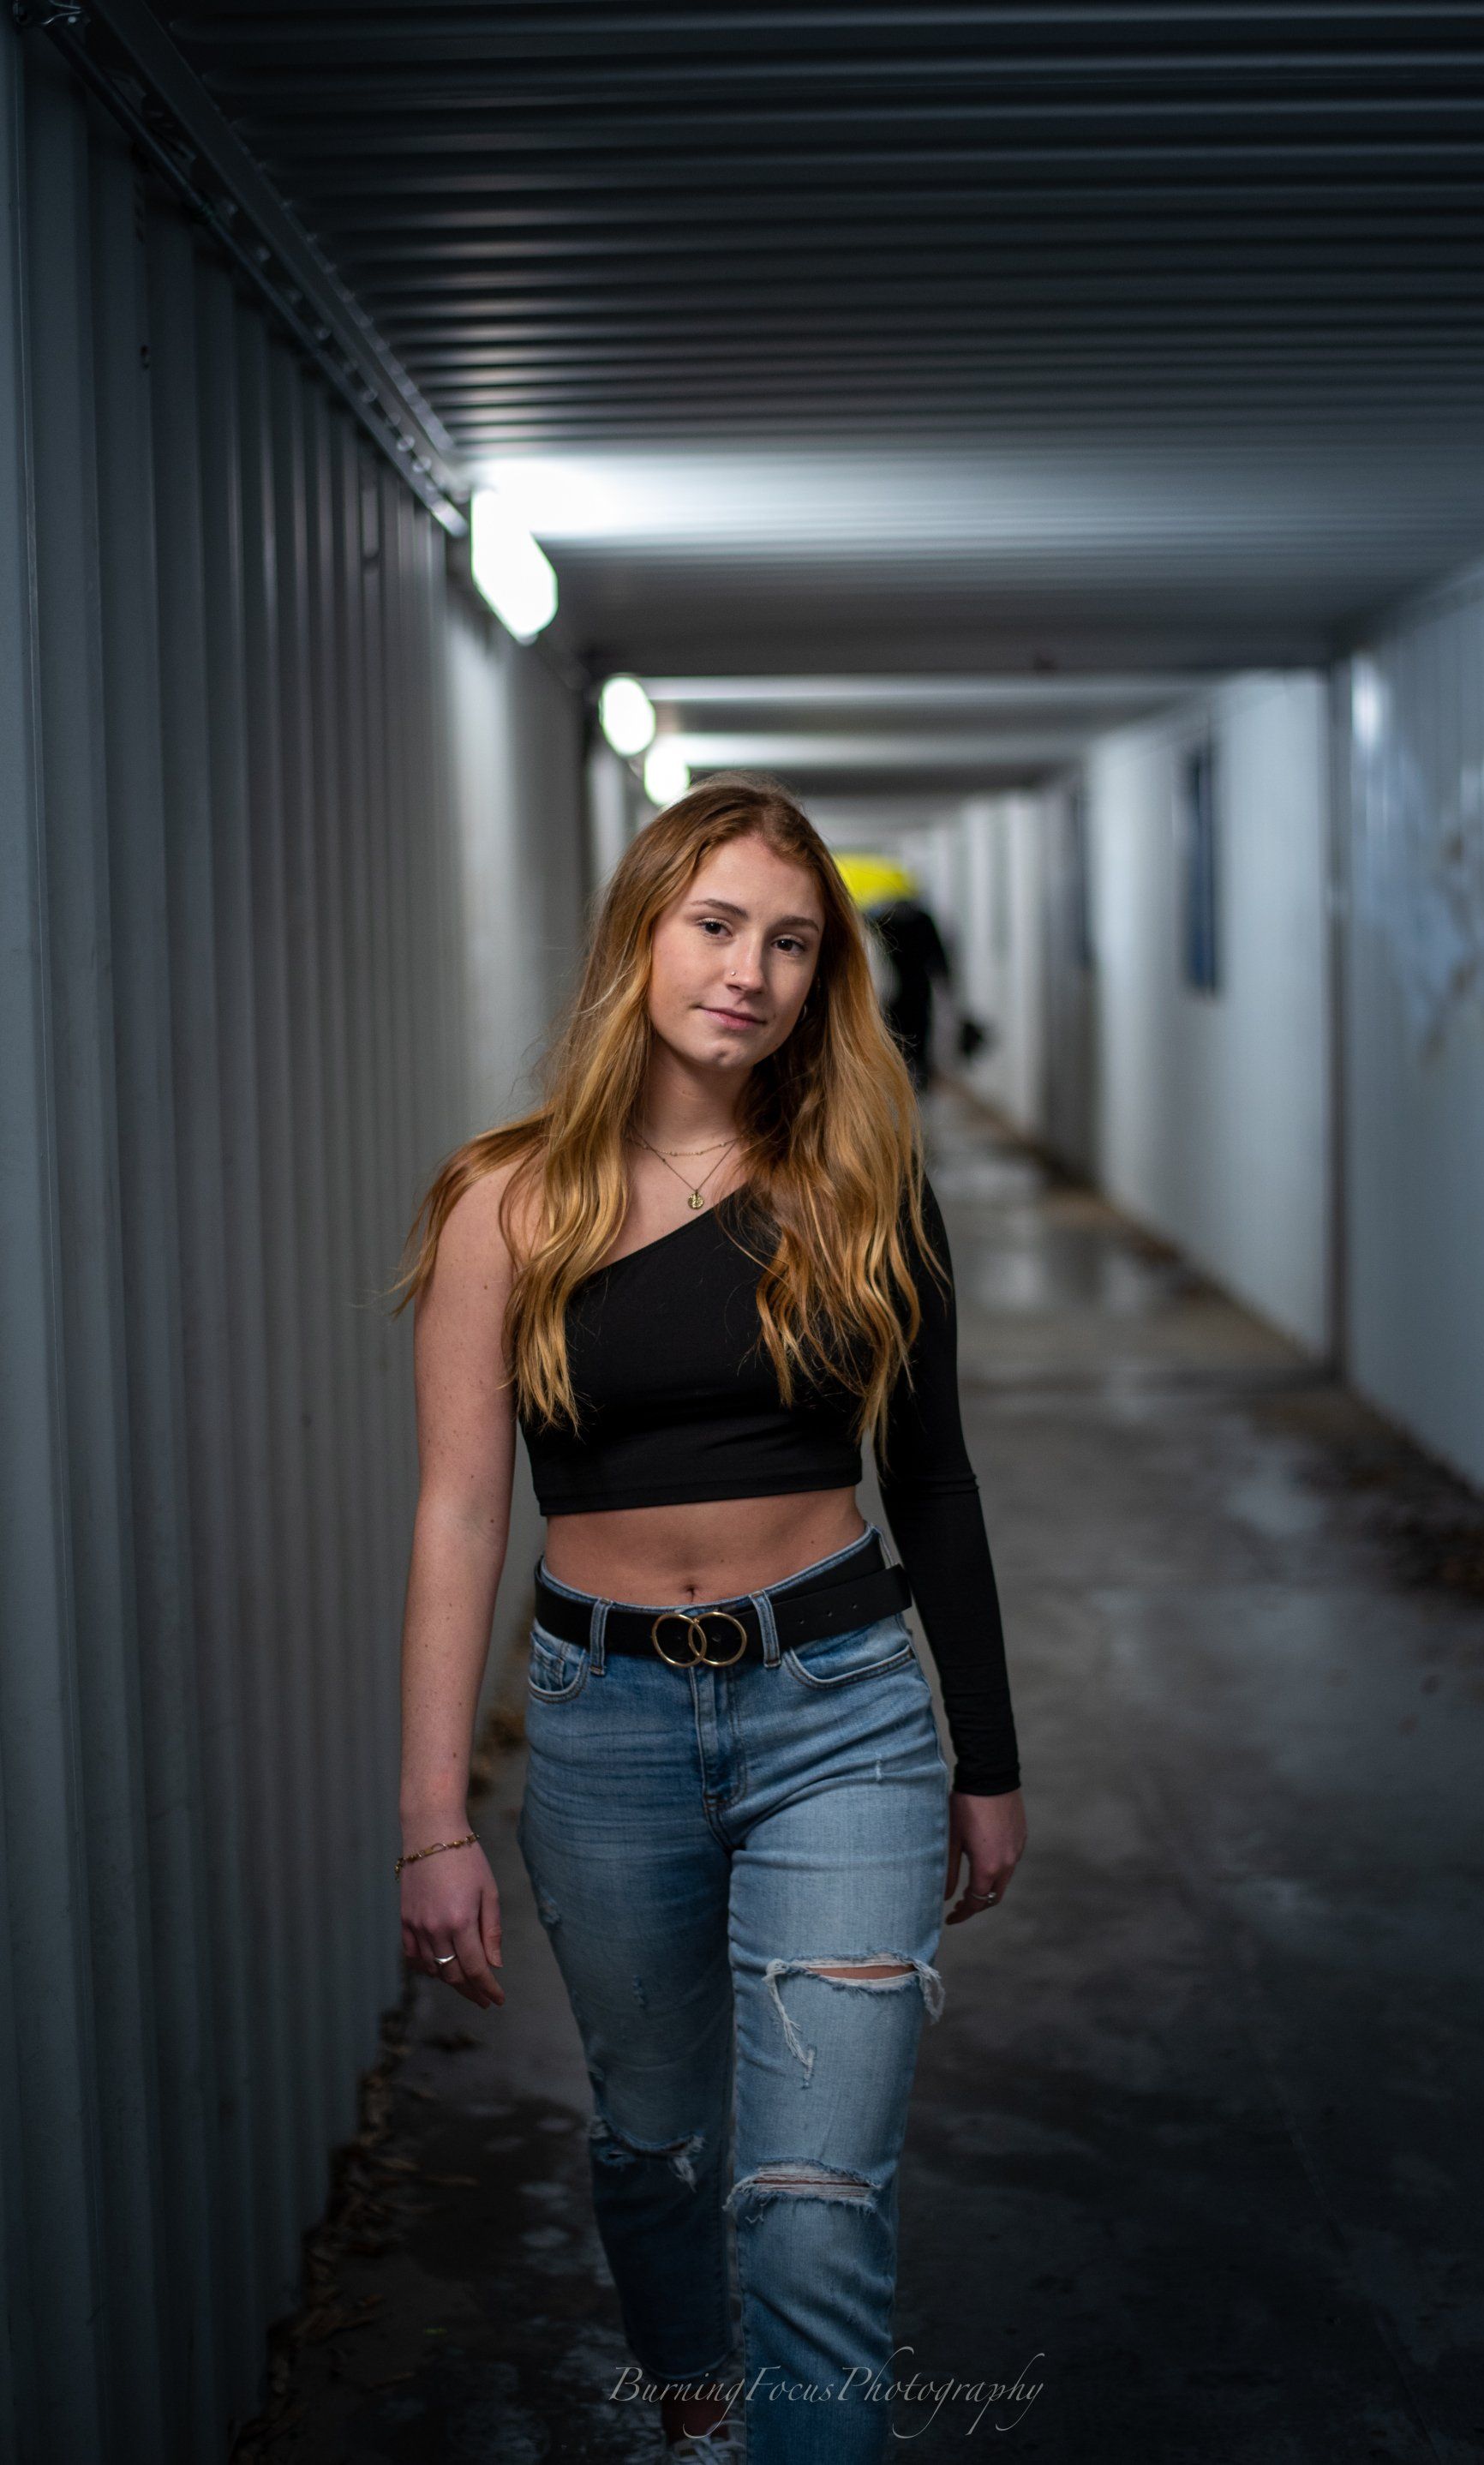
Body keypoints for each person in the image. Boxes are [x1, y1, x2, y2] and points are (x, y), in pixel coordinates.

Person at [392, 774, 1027, 2463]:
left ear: (827, 978)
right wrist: (428, 1815)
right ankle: (697, 2425)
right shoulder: (505, 1200)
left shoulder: (867, 1189)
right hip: (602, 1728)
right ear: (644, 939)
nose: (748, 970)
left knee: (813, 2202)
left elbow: (939, 1486)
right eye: (717, 925)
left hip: (844, 1713)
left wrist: (989, 1755)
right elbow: (461, 1507)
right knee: (656, 2145)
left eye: (792, 942)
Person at [867, 893, 952, 1090]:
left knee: (911, 1032)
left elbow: (936, 954)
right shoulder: (886, 920)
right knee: (903, 1032)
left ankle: (914, 1076)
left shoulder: (884, 920)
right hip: (900, 989)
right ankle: (908, 1076)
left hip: (903, 989)